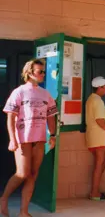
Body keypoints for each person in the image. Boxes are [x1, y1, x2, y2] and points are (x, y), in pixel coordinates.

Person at [1, 59, 58, 217]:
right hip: (23, 139)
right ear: (30, 73)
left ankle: (23, 212)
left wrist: (52, 135)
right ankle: (3, 199)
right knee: (22, 173)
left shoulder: (46, 94)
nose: (43, 75)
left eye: (43, 72)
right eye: (40, 72)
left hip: (39, 139)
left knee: (33, 174)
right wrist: (13, 139)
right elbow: (11, 117)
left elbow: (51, 116)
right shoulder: (19, 92)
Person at [85, 76, 105, 201]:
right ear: (99, 88)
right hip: (99, 137)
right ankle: (94, 192)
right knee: (100, 164)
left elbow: (100, 117)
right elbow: (99, 120)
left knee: (103, 163)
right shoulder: (97, 100)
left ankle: (95, 191)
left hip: (94, 136)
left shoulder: (92, 99)